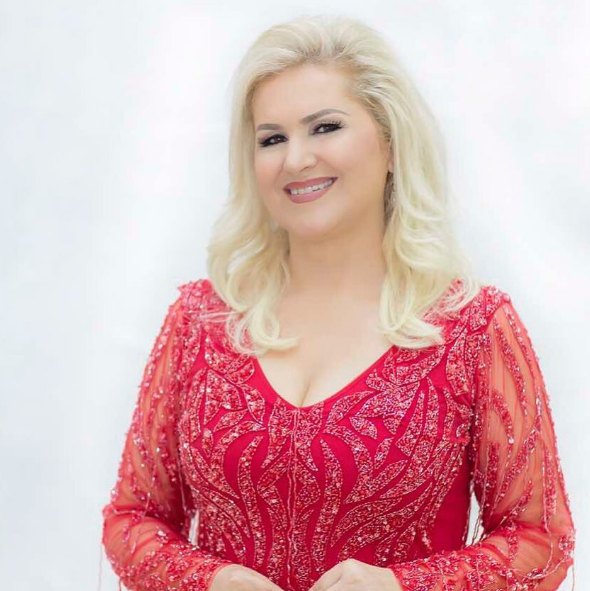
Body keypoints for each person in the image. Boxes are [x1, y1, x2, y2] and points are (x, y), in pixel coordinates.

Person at [101, 14, 576, 591]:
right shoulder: (201, 320)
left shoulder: (473, 328)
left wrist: (401, 586)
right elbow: (133, 518)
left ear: (392, 144)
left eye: (324, 127)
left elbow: (540, 542)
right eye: (272, 138)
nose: (295, 159)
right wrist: (210, 580)